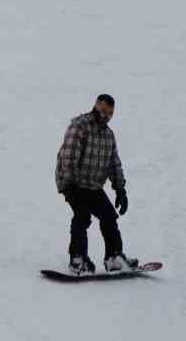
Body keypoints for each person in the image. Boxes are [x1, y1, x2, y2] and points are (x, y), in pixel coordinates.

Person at [55, 94, 137, 275]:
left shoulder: (109, 135)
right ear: (95, 106)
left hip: (92, 185)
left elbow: (113, 163)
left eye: (110, 113)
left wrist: (120, 189)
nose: (106, 115)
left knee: (109, 216)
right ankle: (78, 259)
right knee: (82, 215)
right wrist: (70, 183)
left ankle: (114, 258)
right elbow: (68, 155)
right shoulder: (80, 126)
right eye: (103, 111)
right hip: (72, 181)